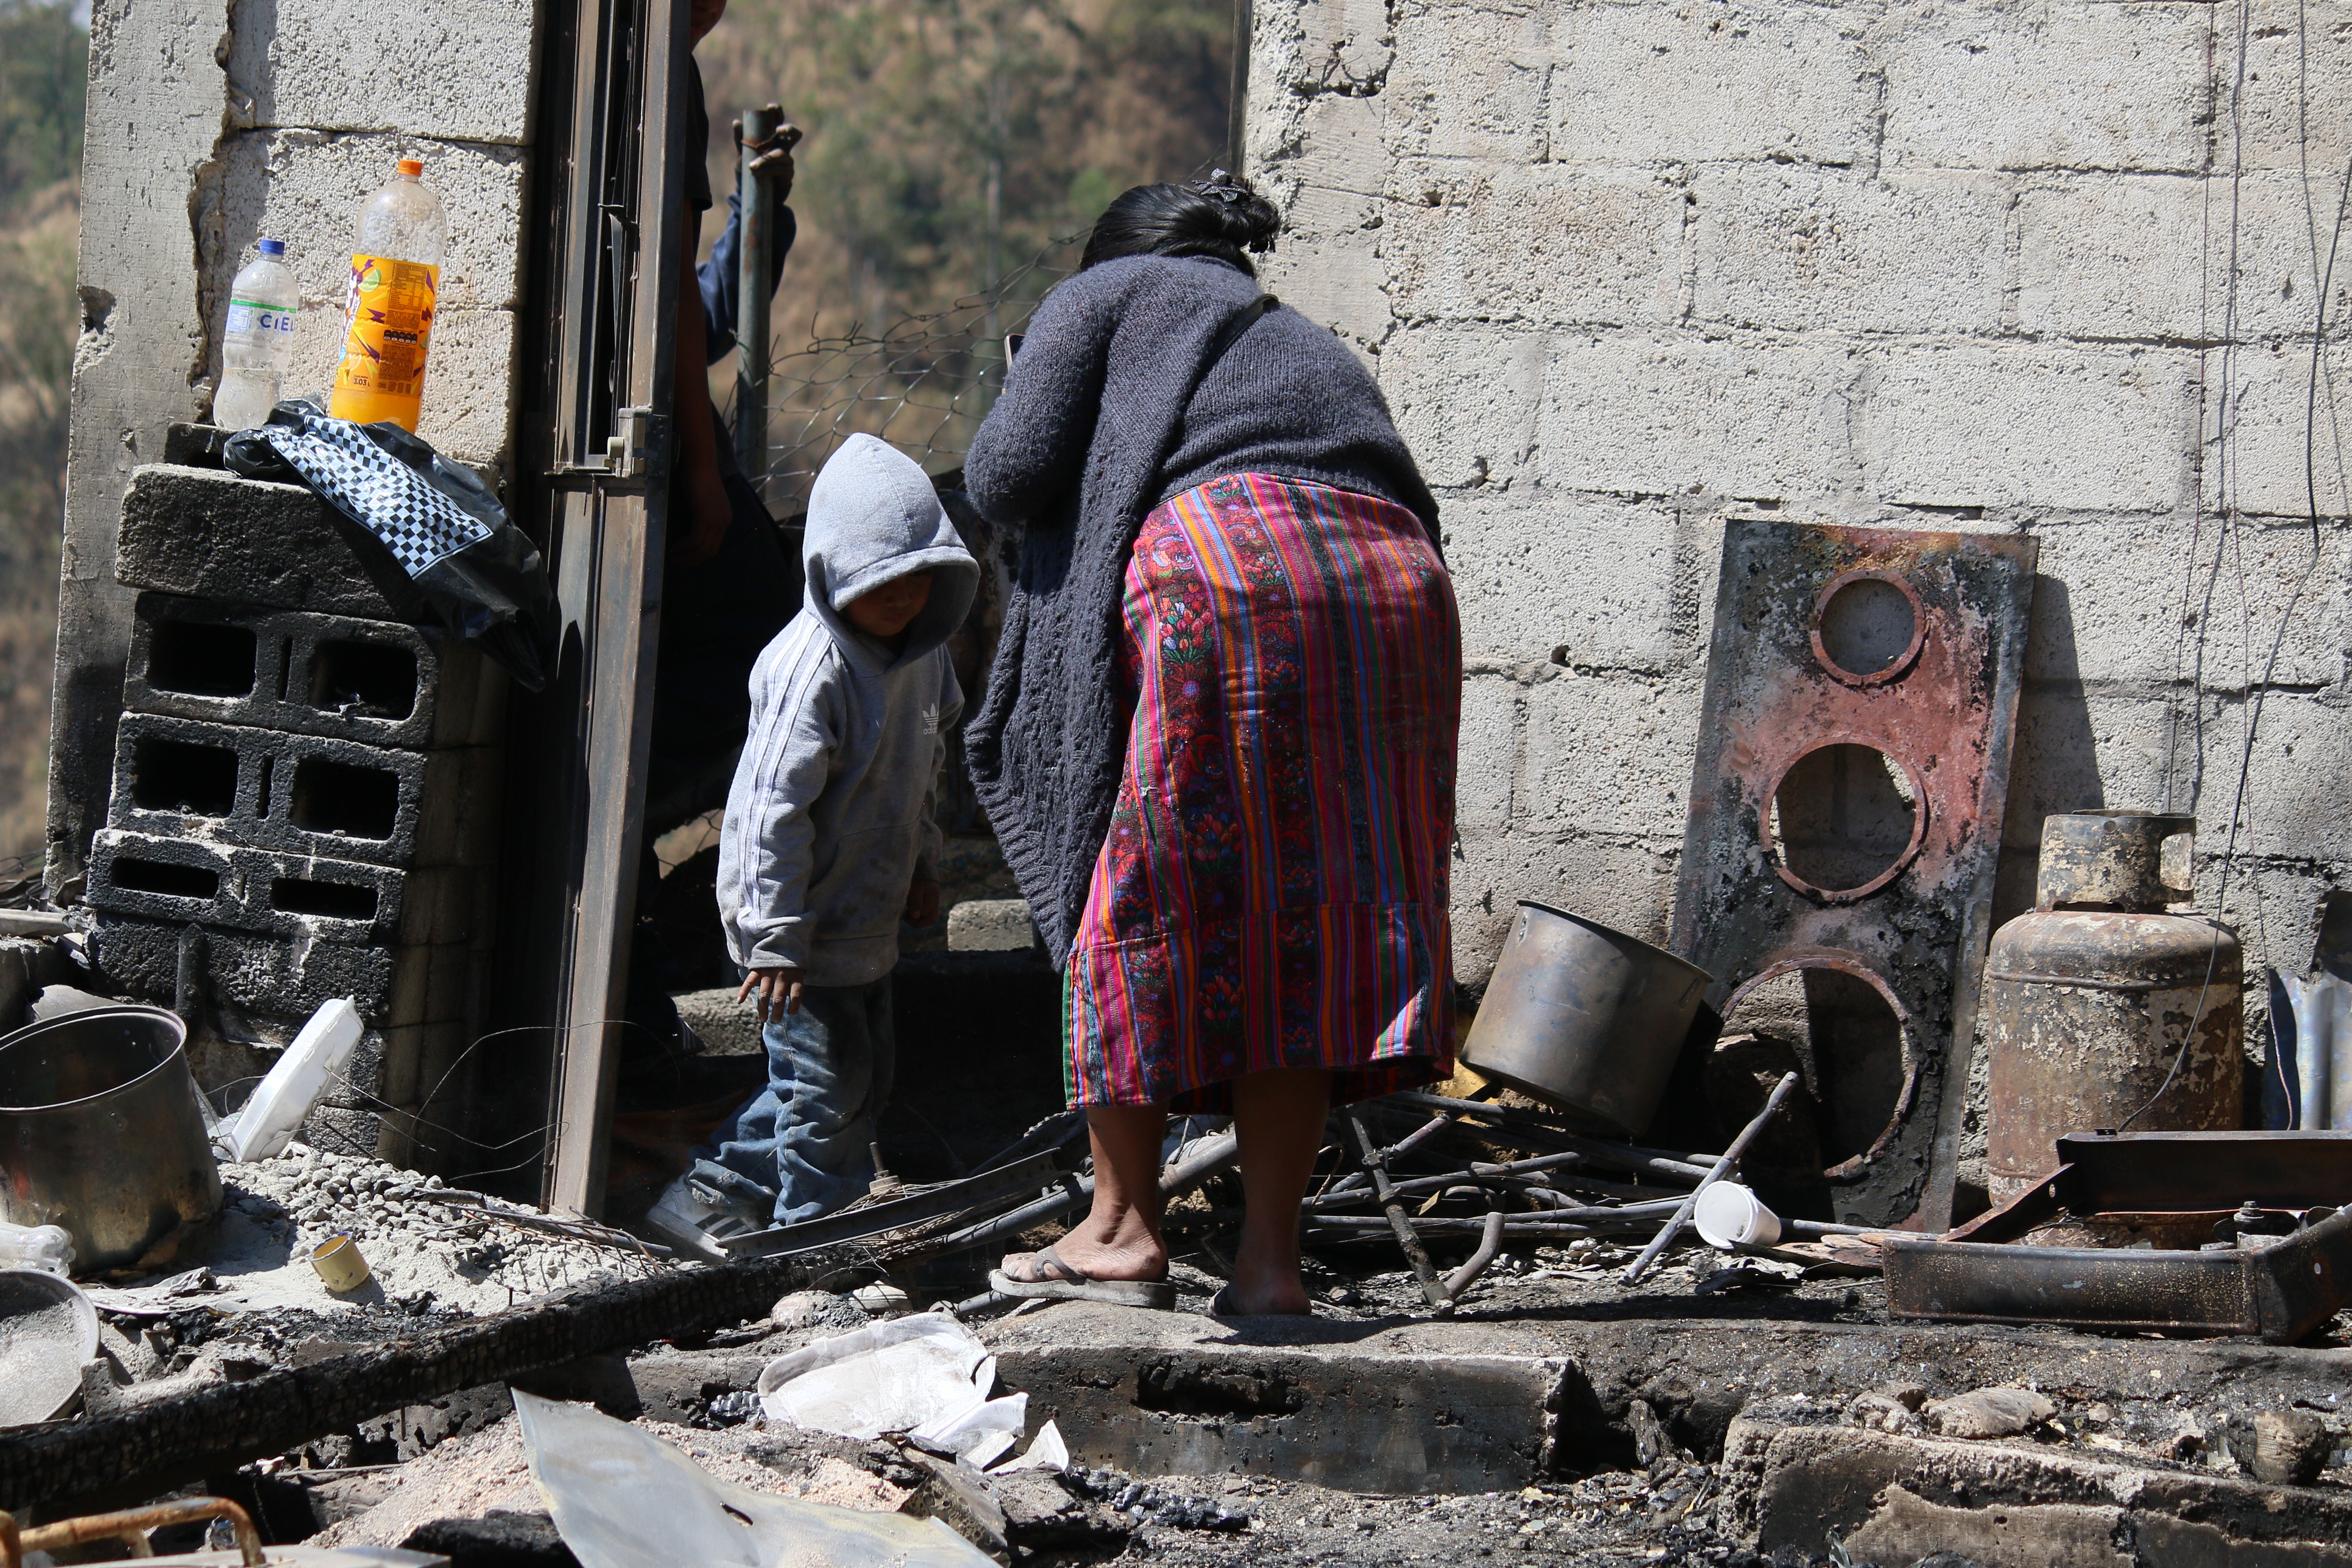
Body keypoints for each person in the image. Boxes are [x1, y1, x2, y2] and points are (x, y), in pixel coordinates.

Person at [962, 172, 1462, 1316]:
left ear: (1111, 256)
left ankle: (1122, 1231)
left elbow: (1004, 474)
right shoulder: (1298, 341)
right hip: (1395, 592)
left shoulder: (1109, 293)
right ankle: (1269, 1270)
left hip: (1232, 576)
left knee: (1141, 896)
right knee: (1305, 923)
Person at [644, 435, 980, 1257]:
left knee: (845, 1087)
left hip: (863, 927)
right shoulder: (809, 673)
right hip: (799, 941)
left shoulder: (923, 659)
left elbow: (925, 762)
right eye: (879, 580)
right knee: (826, 1096)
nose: (903, 595)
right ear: (833, 574)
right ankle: (815, 1250)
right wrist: (771, 939)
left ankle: (708, 1197)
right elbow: (765, 812)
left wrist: (925, 865)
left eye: (918, 574)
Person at [625, 0, 805, 1046]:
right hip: (649, 462)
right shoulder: (649, 73)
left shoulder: (633, 81)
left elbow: (703, 305)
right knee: (763, 655)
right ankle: (663, 942)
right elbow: (676, 315)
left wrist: (757, 209)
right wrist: (700, 470)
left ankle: (650, 954)